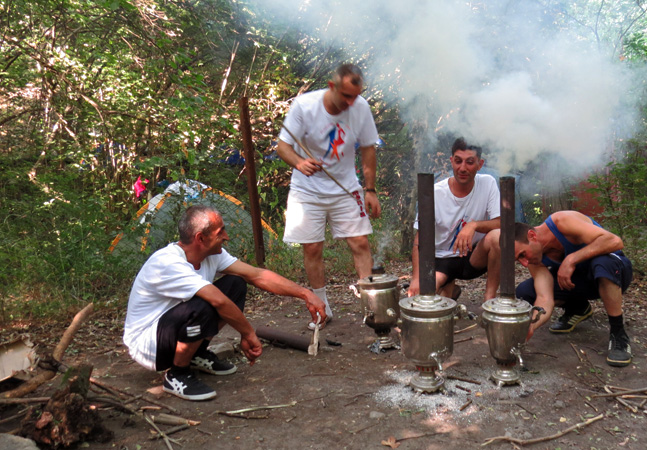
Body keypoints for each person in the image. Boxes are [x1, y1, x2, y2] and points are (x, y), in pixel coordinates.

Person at [123, 206, 327, 401]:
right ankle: (177, 374)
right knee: (205, 302)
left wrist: (305, 294)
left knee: (235, 283)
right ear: (200, 238)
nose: (226, 237)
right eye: (220, 232)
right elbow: (218, 301)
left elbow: (256, 275)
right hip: (149, 346)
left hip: (171, 330)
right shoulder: (167, 263)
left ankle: (196, 353)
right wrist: (248, 334)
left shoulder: (211, 255)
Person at [276, 63, 381, 330]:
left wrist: (370, 190)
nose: (350, 102)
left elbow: (368, 149)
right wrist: (299, 163)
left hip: (345, 186)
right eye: (346, 96)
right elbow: (283, 146)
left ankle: (372, 309)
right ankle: (322, 309)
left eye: (355, 96)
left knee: (360, 243)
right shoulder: (305, 106)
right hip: (307, 188)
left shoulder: (361, 108)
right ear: (332, 86)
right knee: (312, 247)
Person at [507, 212, 634, 367]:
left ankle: (618, 334)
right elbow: (544, 297)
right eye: (519, 260)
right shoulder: (534, 260)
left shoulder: (562, 222)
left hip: (615, 273)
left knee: (602, 263)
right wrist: (531, 325)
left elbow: (615, 241)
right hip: (582, 283)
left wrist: (571, 259)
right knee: (526, 290)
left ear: (532, 236)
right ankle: (578, 309)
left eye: (522, 254)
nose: (524, 263)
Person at [407, 138, 501, 301]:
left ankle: (489, 300)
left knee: (498, 236)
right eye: (458, 161)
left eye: (470, 162)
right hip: (441, 260)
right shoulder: (434, 193)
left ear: (480, 164)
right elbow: (419, 240)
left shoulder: (488, 183)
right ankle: (448, 289)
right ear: (451, 161)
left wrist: (473, 225)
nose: (462, 168)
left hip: (472, 257)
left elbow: (501, 223)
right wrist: (416, 279)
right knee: (425, 297)